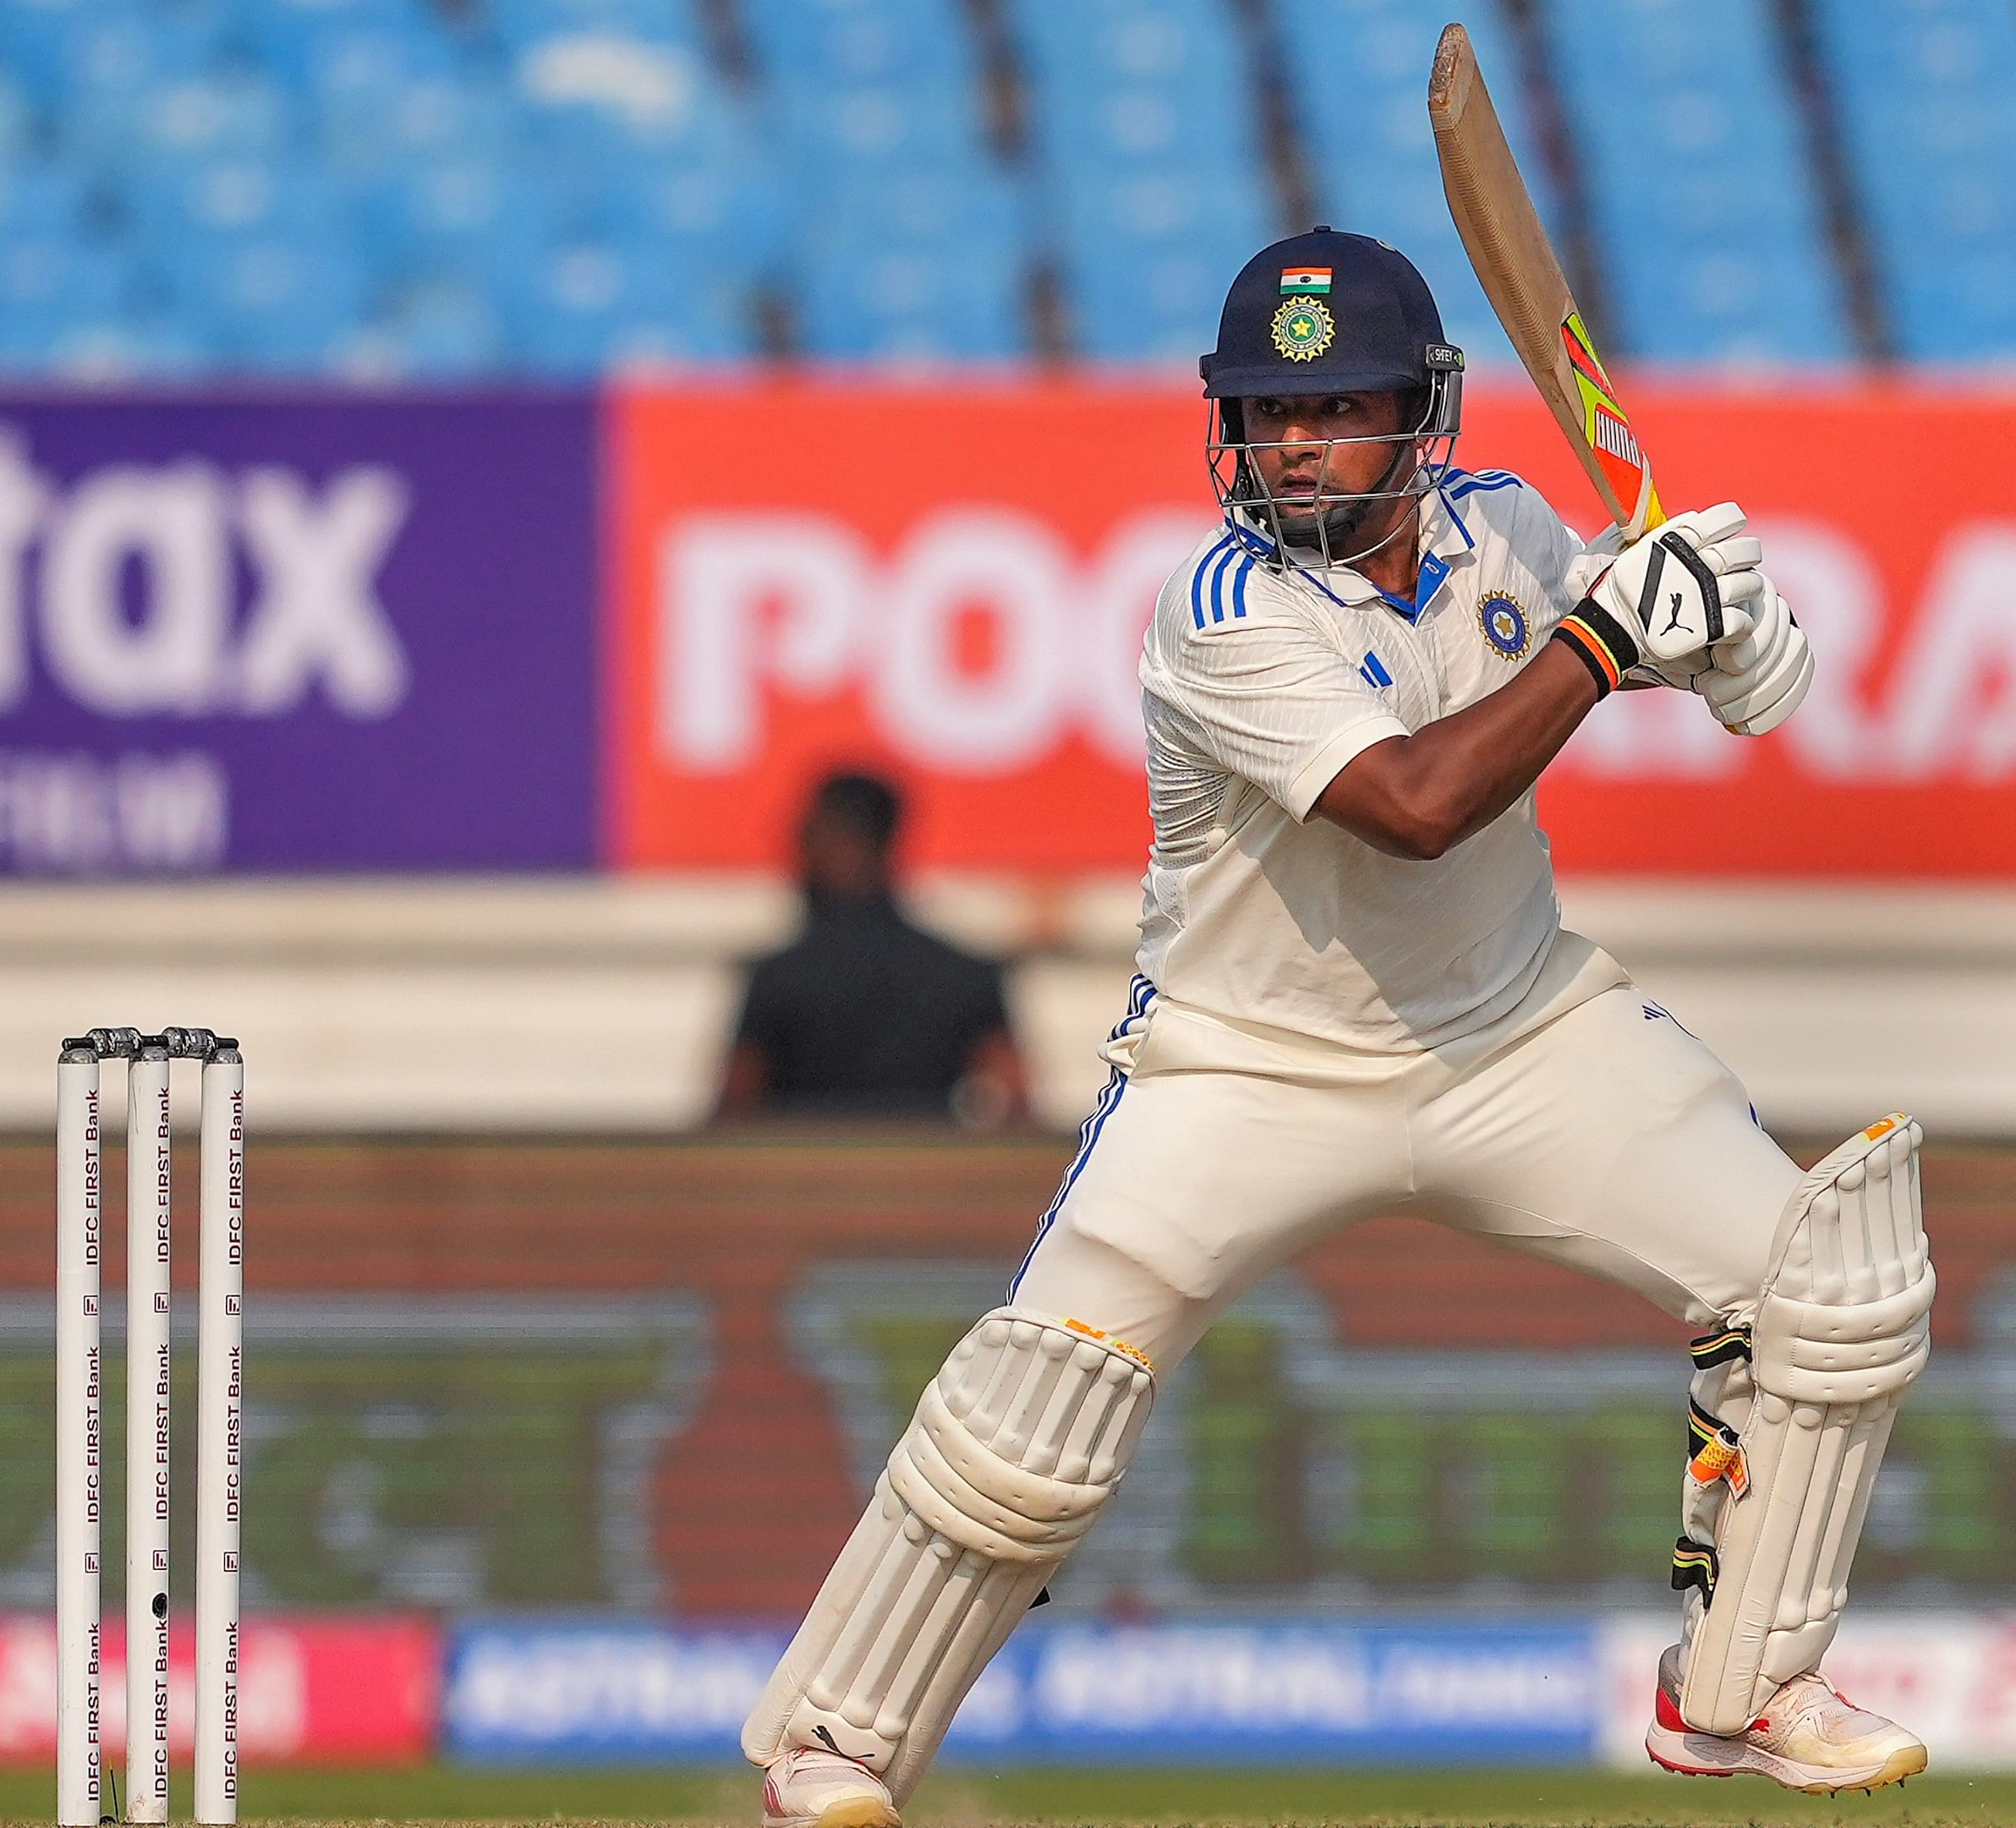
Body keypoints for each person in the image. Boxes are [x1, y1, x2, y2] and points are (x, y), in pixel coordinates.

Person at [741, 227, 1920, 1828]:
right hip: (1240, 1064)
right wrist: (1606, 641)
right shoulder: (1218, 610)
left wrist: (1719, 630)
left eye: (1337, 404)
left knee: (1827, 1283)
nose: (1293, 440)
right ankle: (836, 1742)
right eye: (1265, 409)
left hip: (1513, 1032)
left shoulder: (1497, 524)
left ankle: (1740, 1690)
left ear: (1415, 413)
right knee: (1038, 1402)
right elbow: (1417, 804)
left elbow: (1633, 648)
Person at [718, 771, 1024, 1123]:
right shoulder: (965, 975)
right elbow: (1015, 1104)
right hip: (926, 1171)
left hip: (805, 1173)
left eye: (805, 839)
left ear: (834, 840)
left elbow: (733, 1111)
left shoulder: (778, 978)